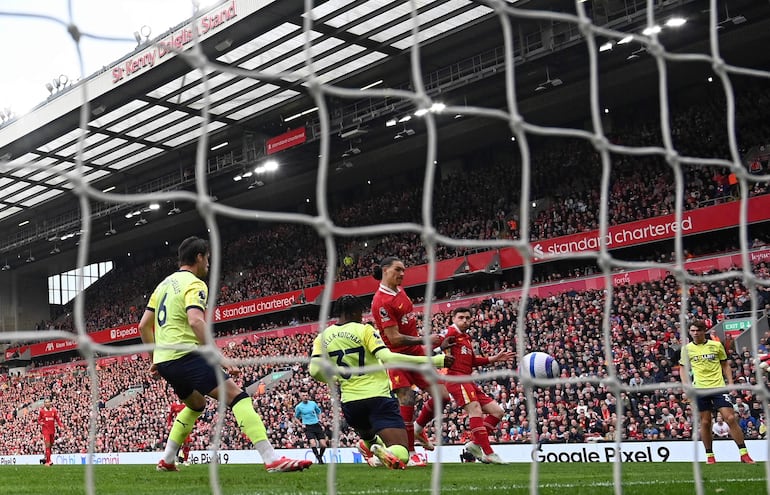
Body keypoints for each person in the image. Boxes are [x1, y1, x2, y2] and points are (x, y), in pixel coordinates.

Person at [139, 236, 311, 473]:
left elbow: (143, 325)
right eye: (208, 258)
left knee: (196, 404)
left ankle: (167, 460)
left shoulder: (163, 285)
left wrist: (154, 360)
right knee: (238, 397)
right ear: (199, 257)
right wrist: (219, 356)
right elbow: (195, 321)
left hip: (167, 362)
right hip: (186, 355)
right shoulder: (195, 283)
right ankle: (271, 459)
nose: (208, 264)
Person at [308, 295, 453, 470]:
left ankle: (370, 446)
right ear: (356, 312)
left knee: (368, 436)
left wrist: (334, 379)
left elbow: (314, 370)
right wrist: (435, 360)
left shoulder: (322, 337)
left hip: (351, 404)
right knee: (402, 453)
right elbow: (387, 357)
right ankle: (383, 452)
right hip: (378, 399)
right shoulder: (364, 330)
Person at [370, 257, 453, 467]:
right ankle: (410, 451)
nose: (402, 274)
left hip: (416, 353)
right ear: (385, 270)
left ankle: (417, 429)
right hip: (396, 357)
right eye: (398, 270)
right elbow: (395, 338)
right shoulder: (381, 301)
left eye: (404, 270)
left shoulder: (400, 291)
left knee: (442, 396)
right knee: (407, 400)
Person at [432, 307, 514, 464]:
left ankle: (475, 444)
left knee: (498, 412)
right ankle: (488, 452)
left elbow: (472, 361)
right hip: (455, 378)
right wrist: (440, 349)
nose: (465, 320)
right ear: (453, 319)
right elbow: (433, 348)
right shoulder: (450, 332)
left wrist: (493, 359)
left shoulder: (466, 338)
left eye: (468, 318)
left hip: (467, 380)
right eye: (461, 317)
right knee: (475, 409)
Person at [679, 319, 754, 464]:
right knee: (706, 422)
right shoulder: (687, 349)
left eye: (697, 330)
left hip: (719, 387)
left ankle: (744, 454)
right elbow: (683, 368)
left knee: (731, 418)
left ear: (703, 331)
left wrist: (731, 383)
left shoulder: (716, 345)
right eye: (692, 331)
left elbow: (725, 364)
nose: (695, 333)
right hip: (699, 389)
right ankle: (710, 456)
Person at [294, 391, 328, 464]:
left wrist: (319, 419)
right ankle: (319, 460)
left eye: (306, 395)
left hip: (316, 425)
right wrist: (301, 424)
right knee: (313, 443)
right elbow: (296, 418)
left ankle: (320, 456)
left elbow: (319, 412)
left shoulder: (313, 403)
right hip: (308, 426)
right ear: (301, 397)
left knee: (323, 445)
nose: (305, 397)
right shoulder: (299, 407)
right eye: (303, 395)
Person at [167, 399, 193, 466]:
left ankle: (185, 461)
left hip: (186, 426)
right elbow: (170, 415)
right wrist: (169, 425)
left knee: (186, 444)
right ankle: (175, 459)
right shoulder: (174, 405)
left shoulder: (188, 405)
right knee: (176, 444)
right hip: (178, 427)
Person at [38, 398, 62, 466]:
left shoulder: (54, 411)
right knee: (47, 445)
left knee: (50, 445)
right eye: (46, 402)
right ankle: (48, 462)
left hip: (52, 431)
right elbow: (39, 420)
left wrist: (61, 425)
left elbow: (57, 419)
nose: (47, 403)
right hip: (45, 431)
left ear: (50, 403)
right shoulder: (42, 411)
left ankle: (48, 459)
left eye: (48, 402)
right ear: (44, 404)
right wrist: (41, 423)